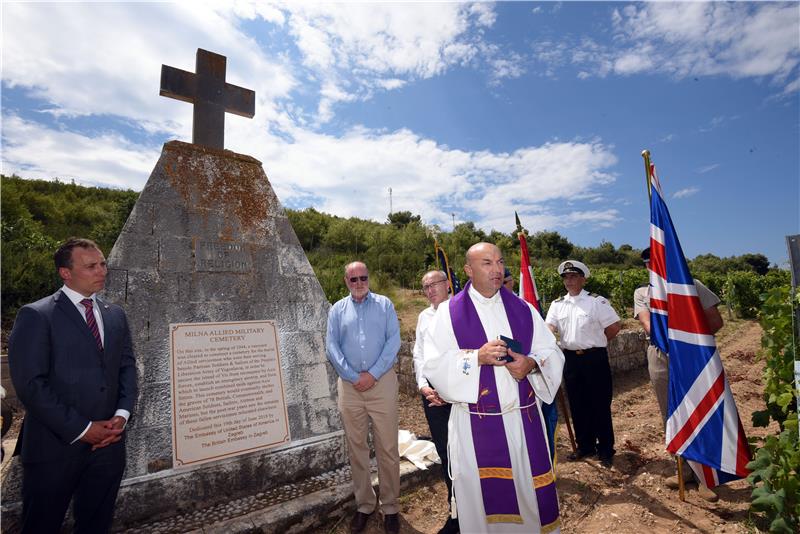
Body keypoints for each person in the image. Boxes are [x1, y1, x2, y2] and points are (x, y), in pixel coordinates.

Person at [423, 243, 564, 533]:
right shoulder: (448, 314)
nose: (497, 269)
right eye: (487, 263)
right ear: (468, 270)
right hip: (475, 428)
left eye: (500, 262)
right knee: (482, 512)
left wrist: (532, 364)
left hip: (524, 424)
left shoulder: (523, 309)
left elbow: (552, 352)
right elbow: (434, 365)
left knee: (529, 504)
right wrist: (477, 357)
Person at [8, 237, 138, 534]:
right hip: (54, 448)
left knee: (96, 523)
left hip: (109, 446)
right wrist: (83, 429)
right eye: (91, 266)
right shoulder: (37, 315)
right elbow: (31, 385)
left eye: (103, 263)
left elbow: (127, 367)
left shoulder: (115, 315)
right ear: (65, 273)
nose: (102, 271)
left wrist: (122, 415)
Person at [634, 247, 723, 501]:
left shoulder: (692, 285)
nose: (654, 267)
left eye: (659, 262)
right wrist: (672, 335)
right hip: (660, 355)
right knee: (671, 413)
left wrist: (688, 339)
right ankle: (684, 470)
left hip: (693, 355)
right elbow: (646, 323)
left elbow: (716, 322)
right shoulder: (643, 292)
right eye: (649, 264)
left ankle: (706, 475)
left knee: (700, 409)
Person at [326, 261, 402, 534]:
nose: (359, 283)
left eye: (363, 277)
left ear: (369, 278)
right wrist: (351, 375)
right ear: (346, 281)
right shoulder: (336, 310)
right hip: (350, 388)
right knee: (357, 448)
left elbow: (394, 341)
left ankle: (391, 507)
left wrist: (373, 373)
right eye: (353, 279)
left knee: (388, 448)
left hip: (381, 384)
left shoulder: (385, 305)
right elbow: (331, 345)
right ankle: (365, 505)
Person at [545, 260, 620, 468]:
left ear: (583, 278)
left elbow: (614, 326)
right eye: (566, 277)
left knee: (599, 404)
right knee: (578, 404)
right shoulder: (557, 304)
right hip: (570, 359)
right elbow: (549, 326)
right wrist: (549, 335)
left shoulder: (597, 301)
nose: (569, 280)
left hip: (594, 359)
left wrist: (596, 344)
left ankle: (605, 449)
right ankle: (585, 445)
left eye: (573, 276)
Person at [412, 270, 459, 534]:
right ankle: (455, 514)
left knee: (464, 455)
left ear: (448, 285)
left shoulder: (460, 312)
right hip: (431, 396)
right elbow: (419, 354)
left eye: (434, 285)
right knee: (445, 452)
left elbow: (466, 354)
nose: (429, 290)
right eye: (425, 287)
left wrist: (447, 390)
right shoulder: (423, 316)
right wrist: (422, 385)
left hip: (457, 397)